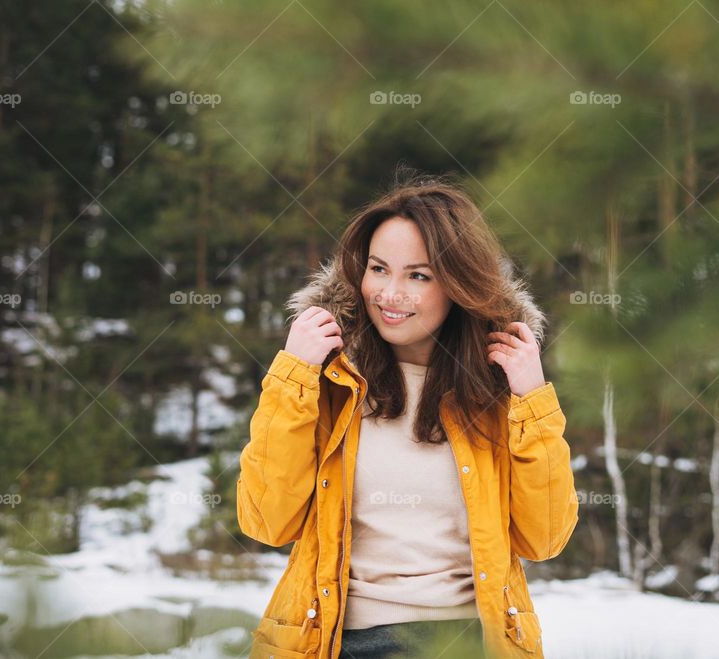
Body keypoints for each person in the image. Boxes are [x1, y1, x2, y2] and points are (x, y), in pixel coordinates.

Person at [237, 172, 579, 659]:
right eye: (378, 268)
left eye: (418, 275)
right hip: (337, 642)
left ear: (458, 284)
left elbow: (543, 537)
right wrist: (293, 376)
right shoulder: (328, 381)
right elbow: (267, 521)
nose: (390, 293)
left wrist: (532, 398)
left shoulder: (499, 390)